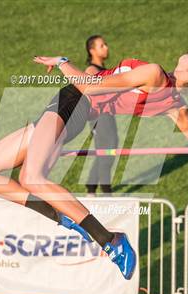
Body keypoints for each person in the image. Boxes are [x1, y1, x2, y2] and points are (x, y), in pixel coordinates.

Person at [0, 31, 188, 280]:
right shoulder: (172, 102)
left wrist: (63, 62)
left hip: (72, 104)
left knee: (32, 177)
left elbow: (91, 87)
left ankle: (109, 240)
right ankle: (62, 215)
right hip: (68, 107)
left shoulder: (156, 76)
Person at [84, 35, 118, 196]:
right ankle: (105, 190)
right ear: (92, 50)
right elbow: (87, 92)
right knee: (107, 149)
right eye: (101, 45)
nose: (106, 47)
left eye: (106, 44)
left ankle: (92, 187)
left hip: (108, 116)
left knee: (107, 149)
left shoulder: (103, 70)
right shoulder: (92, 70)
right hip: (100, 117)